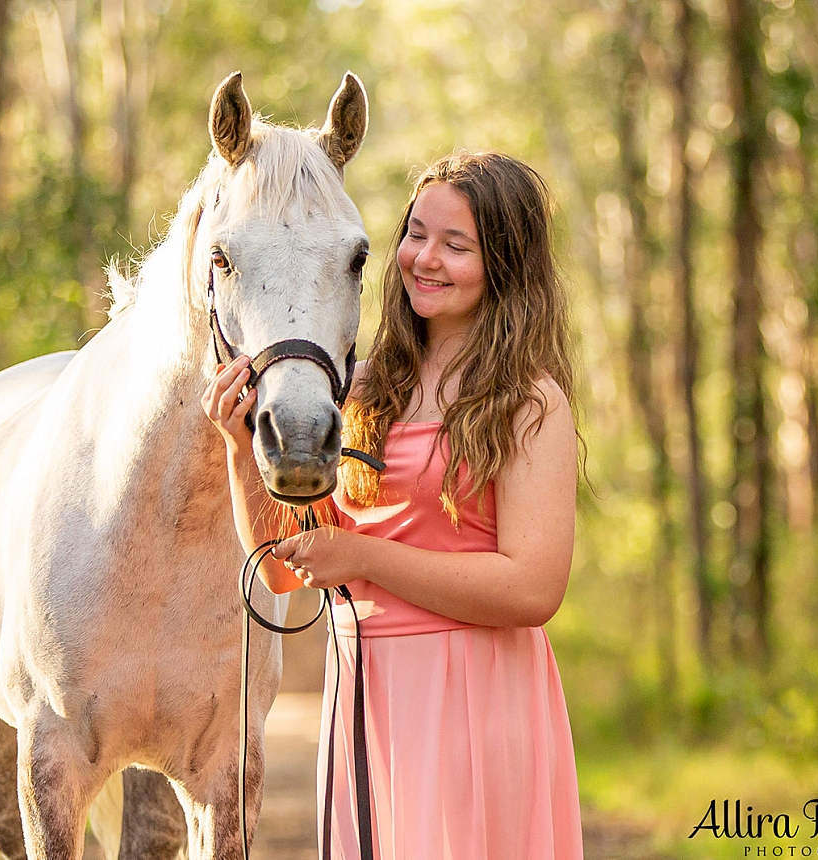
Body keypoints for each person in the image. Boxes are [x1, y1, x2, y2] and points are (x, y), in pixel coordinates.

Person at [202, 151, 584, 860]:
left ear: (502, 262)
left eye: (455, 245)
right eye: (415, 233)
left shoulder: (528, 402)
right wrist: (237, 448)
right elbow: (288, 573)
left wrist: (364, 557)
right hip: (366, 699)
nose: (423, 259)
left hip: (477, 694)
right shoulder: (360, 389)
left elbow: (532, 588)